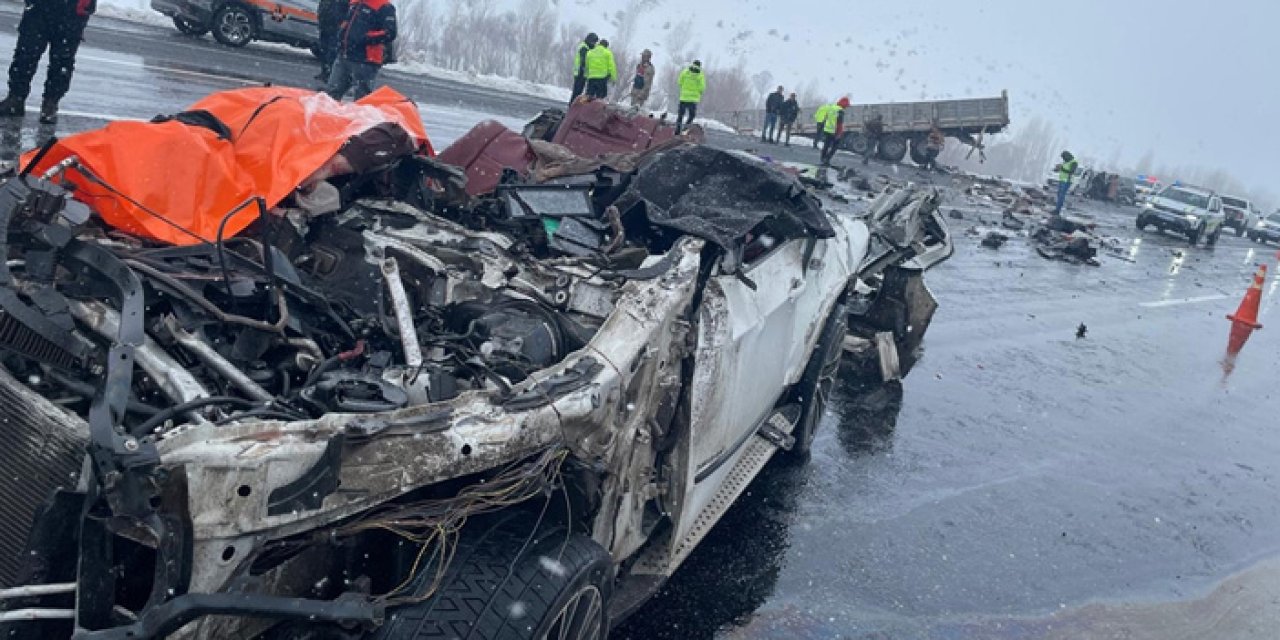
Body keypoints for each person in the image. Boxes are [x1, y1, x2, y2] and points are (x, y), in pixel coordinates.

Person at [0, 0, 97, 124]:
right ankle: (16, 98)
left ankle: (50, 104)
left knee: (62, 60)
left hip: (72, 10)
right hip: (40, 6)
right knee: (26, 53)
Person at [325, 0, 398, 101]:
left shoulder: (384, 6)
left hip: (366, 60)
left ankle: (358, 116)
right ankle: (328, 116)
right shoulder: (355, 3)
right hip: (345, 56)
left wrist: (364, 38)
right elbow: (346, 22)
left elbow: (390, 32)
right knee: (330, 95)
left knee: (362, 100)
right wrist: (341, 34)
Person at [316, 0, 347, 83]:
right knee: (323, 49)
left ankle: (331, 75)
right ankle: (325, 71)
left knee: (332, 52)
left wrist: (341, 24)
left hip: (335, 28)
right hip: (325, 25)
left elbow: (346, 12)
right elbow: (322, 7)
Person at [674, 60, 705, 135]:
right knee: (691, 115)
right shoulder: (700, 75)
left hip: (683, 97)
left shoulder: (685, 72)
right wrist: (698, 92)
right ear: (700, 66)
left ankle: (677, 131)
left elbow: (679, 82)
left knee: (680, 115)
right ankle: (685, 128)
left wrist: (684, 89)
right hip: (693, 99)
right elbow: (702, 87)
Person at [569, 33, 599, 104]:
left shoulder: (586, 47)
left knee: (578, 92)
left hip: (582, 73)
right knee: (577, 92)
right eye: (593, 42)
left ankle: (572, 106)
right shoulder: (584, 48)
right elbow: (584, 60)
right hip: (580, 72)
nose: (594, 44)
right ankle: (572, 106)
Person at [820, 97, 849, 165]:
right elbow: (839, 124)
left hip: (827, 129)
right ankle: (827, 159)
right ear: (843, 104)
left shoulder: (832, 108)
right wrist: (839, 134)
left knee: (826, 145)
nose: (846, 107)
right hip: (834, 131)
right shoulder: (840, 111)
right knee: (835, 147)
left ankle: (823, 158)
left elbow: (825, 118)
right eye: (846, 106)